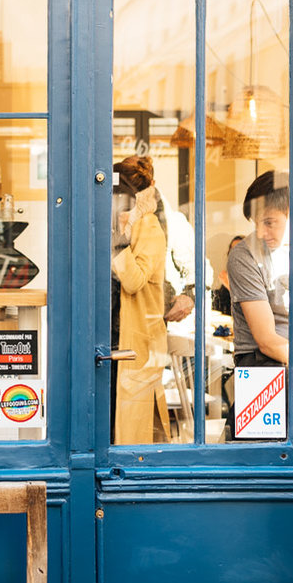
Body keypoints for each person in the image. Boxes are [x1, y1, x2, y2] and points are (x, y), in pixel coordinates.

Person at [111, 155, 170, 445]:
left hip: (133, 342)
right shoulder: (130, 226)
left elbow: (133, 281)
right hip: (113, 339)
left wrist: (117, 242)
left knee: (130, 433)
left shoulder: (148, 227)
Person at [226, 169, 289, 367]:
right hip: (261, 362)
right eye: (257, 223)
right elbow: (267, 341)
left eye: (270, 223)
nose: (261, 233)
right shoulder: (244, 257)